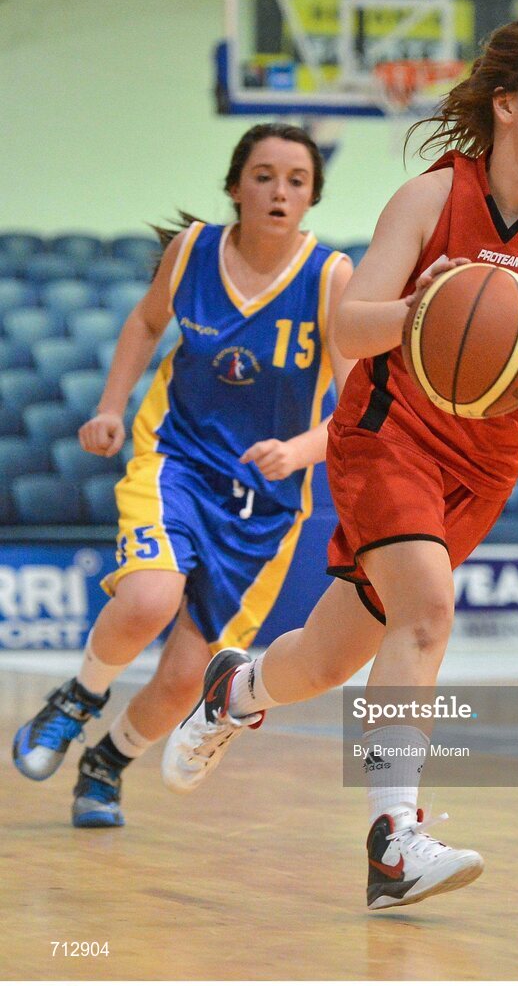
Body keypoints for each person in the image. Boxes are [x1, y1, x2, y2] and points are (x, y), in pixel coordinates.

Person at [164, 13, 518, 909]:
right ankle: (394, 842)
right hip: (391, 433)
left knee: (333, 658)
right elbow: (348, 327)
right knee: (427, 610)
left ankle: (239, 685)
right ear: (506, 104)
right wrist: (433, 300)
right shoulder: (428, 200)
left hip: (486, 461)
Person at [12, 123, 355, 829]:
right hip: (178, 461)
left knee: (179, 684)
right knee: (146, 600)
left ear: (313, 196)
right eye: (263, 175)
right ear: (235, 187)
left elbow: (352, 412)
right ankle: (76, 698)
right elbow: (144, 323)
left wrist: (298, 451)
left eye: (296, 180)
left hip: (267, 505)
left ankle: (107, 762)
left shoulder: (330, 276)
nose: (279, 191)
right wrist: (111, 408)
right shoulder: (194, 250)